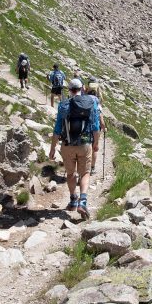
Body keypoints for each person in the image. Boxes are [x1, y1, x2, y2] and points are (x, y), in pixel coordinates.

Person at [49, 78, 100, 219]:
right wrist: (96, 143)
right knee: (85, 173)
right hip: (85, 144)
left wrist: (52, 148)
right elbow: (95, 126)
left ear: (69, 90)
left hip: (67, 145)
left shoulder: (63, 105)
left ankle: (73, 199)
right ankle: (82, 202)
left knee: (71, 174)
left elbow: (57, 129)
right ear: (82, 88)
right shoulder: (91, 103)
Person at [84, 82, 107, 175]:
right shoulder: (97, 103)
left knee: (84, 147)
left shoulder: (83, 100)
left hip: (83, 128)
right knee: (94, 147)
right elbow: (101, 119)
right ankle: (92, 168)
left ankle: (82, 168)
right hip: (94, 129)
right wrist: (104, 128)